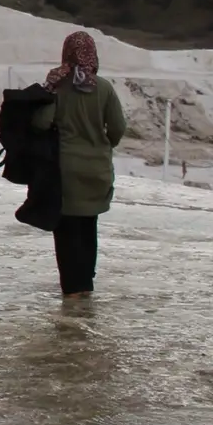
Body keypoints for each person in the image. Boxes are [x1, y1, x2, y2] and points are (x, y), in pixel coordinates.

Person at [36, 31, 127, 298]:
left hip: (65, 171)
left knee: (66, 231)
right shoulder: (104, 88)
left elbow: (41, 122)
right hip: (97, 170)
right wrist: (104, 145)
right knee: (88, 227)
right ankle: (85, 284)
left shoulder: (57, 86)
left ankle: (72, 289)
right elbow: (118, 127)